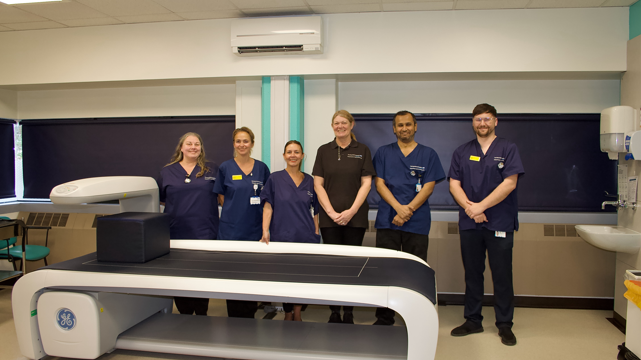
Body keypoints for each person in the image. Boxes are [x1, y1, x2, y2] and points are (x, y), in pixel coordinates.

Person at [448, 103, 524, 346]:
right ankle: (473, 320)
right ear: (473, 122)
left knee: (502, 274)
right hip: (471, 223)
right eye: (478, 119)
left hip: (499, 220)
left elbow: (509, 183)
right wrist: (472, 209)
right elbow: (454, 185)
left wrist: (481, 207)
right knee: (473, 273)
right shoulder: (462, 151)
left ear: (495, 122)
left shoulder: (508, 148)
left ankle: (504, 324)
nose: (482, 123)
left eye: (487, 119)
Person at [372, 110, 445, 325]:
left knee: (416, 271)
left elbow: (429, 187)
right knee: (386, 269)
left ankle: (415, 316)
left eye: (408, 124)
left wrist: (408, 210)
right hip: (388, 219)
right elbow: (379, 183)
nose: (404, 128)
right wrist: (398, 208)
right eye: (400, 125)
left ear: (415, 127)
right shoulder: (384, 153)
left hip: (417, 221)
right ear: (394, 129)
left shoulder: (428, 154)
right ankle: (385, 317)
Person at [312, 109, 376, 324]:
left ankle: (348, 311)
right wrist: (330, 212)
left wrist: (351, 211)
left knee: (351, 266)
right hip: (329, 220)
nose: (340, 126)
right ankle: (334, 311)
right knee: (333, 266)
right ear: (332, 126)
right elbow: (318, 185)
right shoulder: (323, 151)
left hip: (355, 218)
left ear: (351, 124)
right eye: (336, 123)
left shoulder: (363, 150)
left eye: (343, 123)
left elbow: (367, 183)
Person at [158, 132, 219, 316]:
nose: (193, 147)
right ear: (181, 147)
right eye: (189, 143)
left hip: (204, 231)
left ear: (201, 148)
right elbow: (163, 200)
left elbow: (222, 197)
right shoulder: (167, 172)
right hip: (177, 232)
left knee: (202, 275)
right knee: (180, 274)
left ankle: (201, 314)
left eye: (197, 144)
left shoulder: (211, 169)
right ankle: (184, 314)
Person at [213, 126, 270, 318]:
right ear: (234, 144)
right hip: (231, 230)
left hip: (254, 230)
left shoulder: (262, 168)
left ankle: (250, 314)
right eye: (238, 141)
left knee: (251, 275)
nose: (242, 144)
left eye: (246, 141)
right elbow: (221, 197)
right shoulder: (225, 167)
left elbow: (268, 198)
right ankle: (234, 316)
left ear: (252, 144)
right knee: (232, 275)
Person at [260, 140, 320, 321]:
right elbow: (268, 206)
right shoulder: (275, 178)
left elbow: (316, 211)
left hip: (305, 235)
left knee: (302, 277)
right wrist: (265, 230)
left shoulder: (310, 181)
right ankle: (287, 312)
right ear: (284, 156)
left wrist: (316, 233)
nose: (293, 155)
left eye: (296, 152)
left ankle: (298, 311)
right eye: (289, 152)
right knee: (285, 276)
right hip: (282, 234)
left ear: (302, 156)